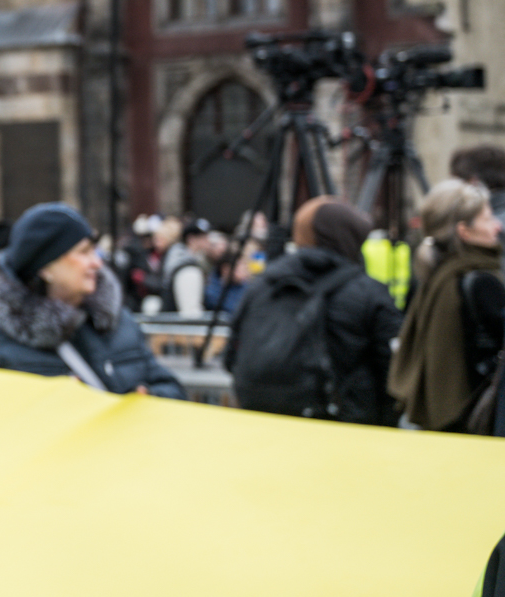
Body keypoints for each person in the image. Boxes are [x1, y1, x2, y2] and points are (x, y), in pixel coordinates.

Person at [0, 202, 186, 398]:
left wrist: (147, 397)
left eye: (94, 251)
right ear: (45, 267)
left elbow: (171, 388)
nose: (97, 263)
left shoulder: (117, 320)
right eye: (83, 252)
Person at [223, 198, 402, 425]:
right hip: (346, 429)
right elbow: (395, 371)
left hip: (265, 425)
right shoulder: (368, 292)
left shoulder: (262, 285)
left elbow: (231, 356)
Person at [390, 179, 505, 432]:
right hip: (472, 414)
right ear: (464, 231)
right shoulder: (481, 281)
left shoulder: (437, 273)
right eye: (487, 219)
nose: (497, 226)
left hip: (440, 414)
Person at [162, 217, 215, 316]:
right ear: (191, 239)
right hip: (176, 324)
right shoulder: (188, 269)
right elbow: (191, 313)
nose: (208, 241)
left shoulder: (181, 261)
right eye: (204, 237)